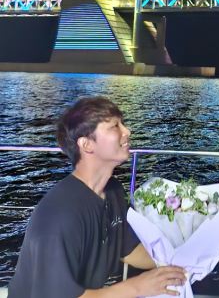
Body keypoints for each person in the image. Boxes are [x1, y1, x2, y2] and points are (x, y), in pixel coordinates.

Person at [8, 97, 187, 298]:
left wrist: (181, 260)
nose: (127, 131)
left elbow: (127, 250)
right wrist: (139, 287)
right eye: (114, 126)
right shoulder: (59, 215)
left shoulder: (113, 191)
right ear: (87, 145)